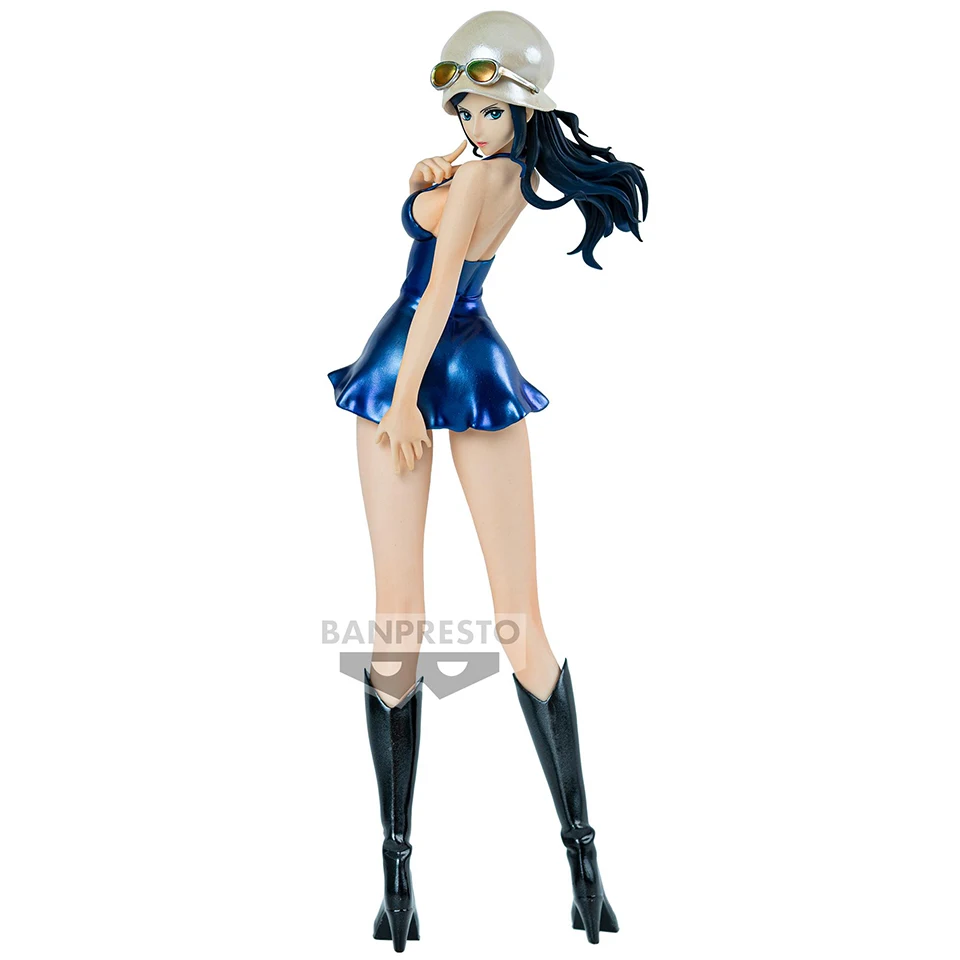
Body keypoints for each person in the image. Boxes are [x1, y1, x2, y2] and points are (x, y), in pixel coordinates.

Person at [327, 10, 648, 949]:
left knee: (400, 615)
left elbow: (433, 291)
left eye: (489, 109)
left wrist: (401, 402)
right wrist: (431, 179)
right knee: (519, 619)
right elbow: (460, 239)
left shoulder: (478, 177)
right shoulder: (507, 175)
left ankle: (397, 884)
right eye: (464, 110)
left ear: (523, 110)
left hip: (410, 359)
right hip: (479, 363)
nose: (473, 123)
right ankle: (586, 874)